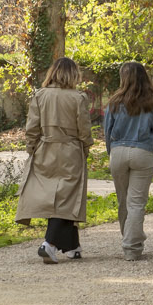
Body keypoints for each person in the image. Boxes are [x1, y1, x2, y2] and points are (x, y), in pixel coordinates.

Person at [17, 57, 94, 263]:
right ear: (73, 74)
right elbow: (84, 128)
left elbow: (32, 126)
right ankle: (49, 244)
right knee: (66, 197)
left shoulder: (40, 95)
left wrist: (31, 148)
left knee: (54, 195)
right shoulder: (78, 98)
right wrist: (86, 146)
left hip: (45, 149)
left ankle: (71, 246)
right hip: (70, 149)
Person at [102, 62, 153, 261]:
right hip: (143, 152)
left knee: (124, 201)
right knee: (137, 202)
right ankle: (132, 247)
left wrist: (111, 152)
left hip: (118, 151)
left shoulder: (114, 102)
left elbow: (107, 132)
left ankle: (128, 239)